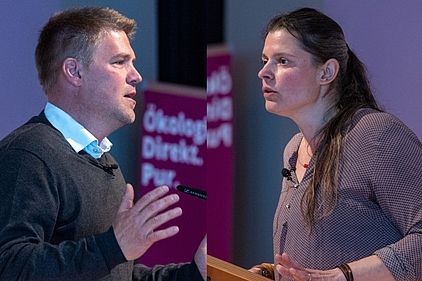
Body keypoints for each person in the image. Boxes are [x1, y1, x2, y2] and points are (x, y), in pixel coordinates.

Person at [0, 7, 205, 281]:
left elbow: (117, 274)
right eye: (120, 62)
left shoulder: (102, 162)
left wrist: (195, 274)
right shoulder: (29, 154)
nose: (136, 76)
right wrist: (113, 246)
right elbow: (10, 266)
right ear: (74, 71)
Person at [250, 7, 422, 281]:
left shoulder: (376, 135)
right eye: (265, 59)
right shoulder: (293, 150)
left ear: (327, 72)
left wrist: (342, 276)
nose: (264, 72)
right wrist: (272, 273)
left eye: (282, 61)